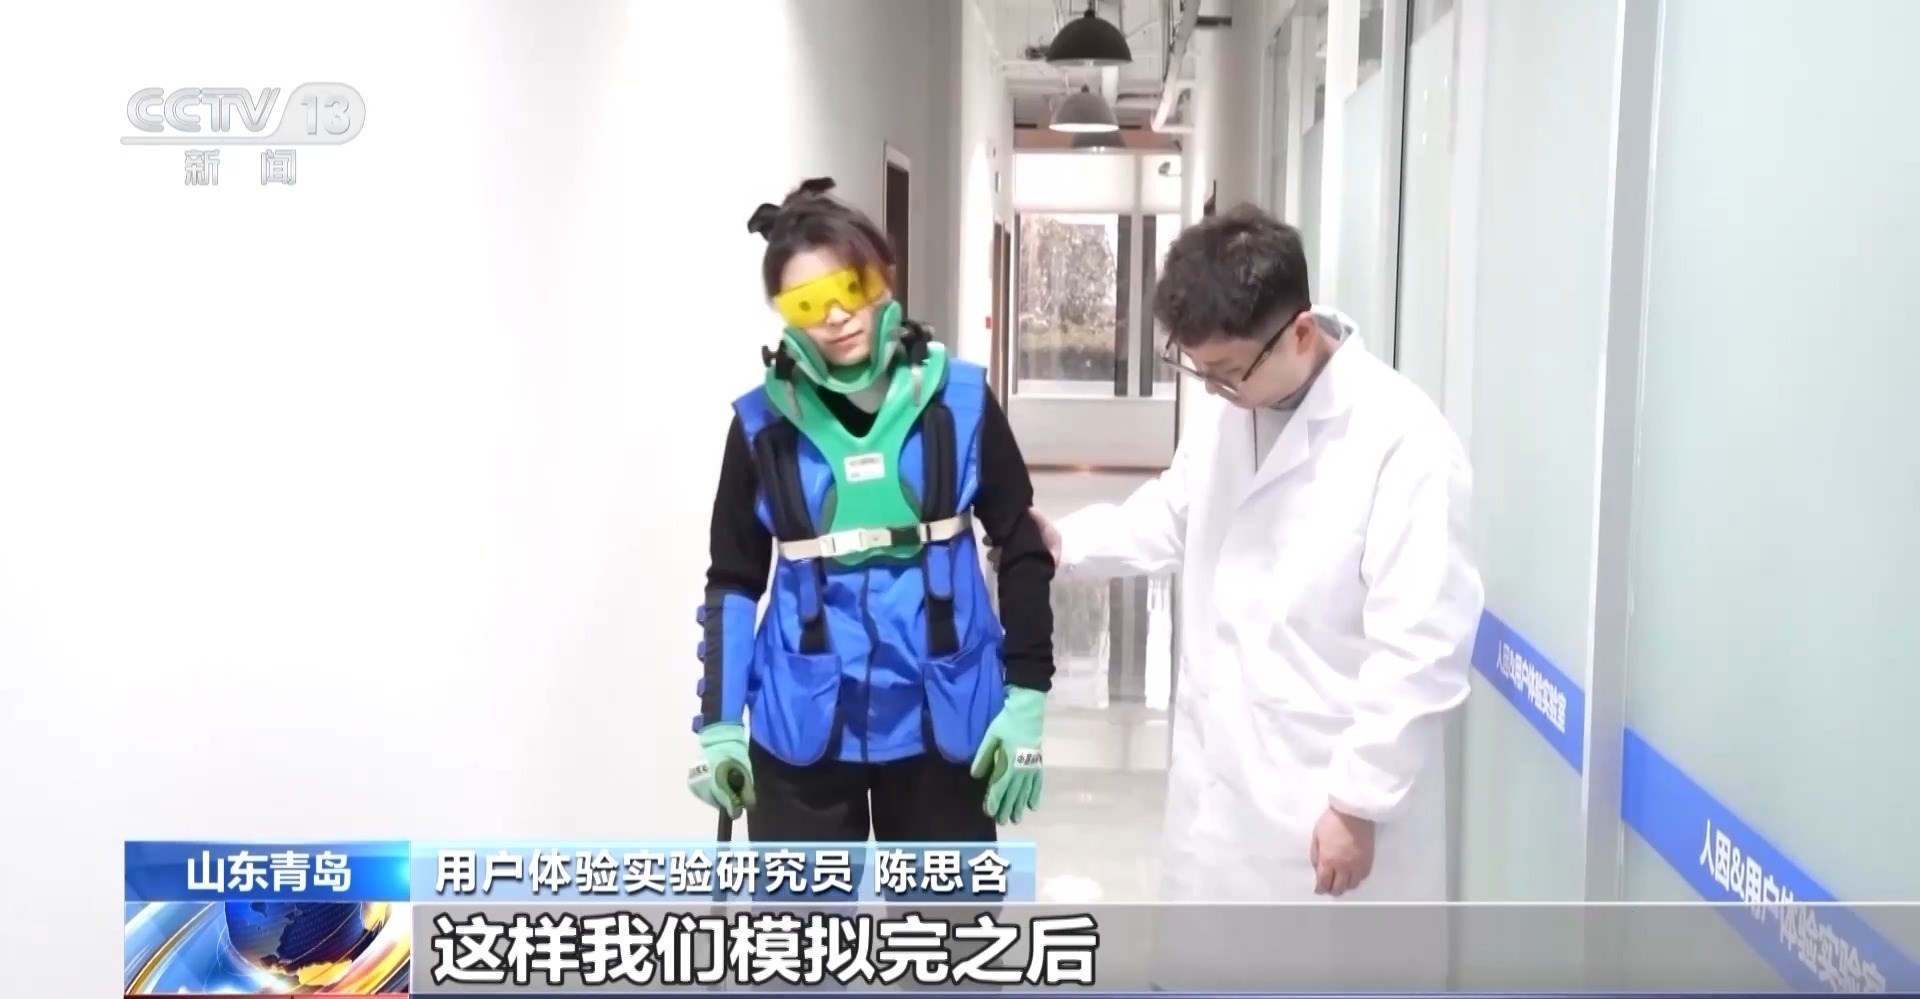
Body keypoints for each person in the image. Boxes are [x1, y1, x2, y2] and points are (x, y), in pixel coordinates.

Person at [1029, 204, 1480, 986]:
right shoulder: (1229, 414)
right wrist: (1063, 545)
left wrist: (1360, 802)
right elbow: (1172, 514)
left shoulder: (1404, 442)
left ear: (1300, 332)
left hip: (1324, 801)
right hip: (1224, 796)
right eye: (1199, 371)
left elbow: (1422, 648)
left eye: (1228, 371)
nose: (1215, 389)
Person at [686, 177, 1057, 845]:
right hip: (800, 727)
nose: (835, 316)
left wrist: (1028, 696)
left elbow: (1022, 546)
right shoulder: (760, 428)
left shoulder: (961, 402)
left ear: (884, 276)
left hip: (944, 722)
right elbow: (733, 581)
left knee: (947, 910)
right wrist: (719, 726)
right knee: (800, 914)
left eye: (851, 288)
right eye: (808, 303)